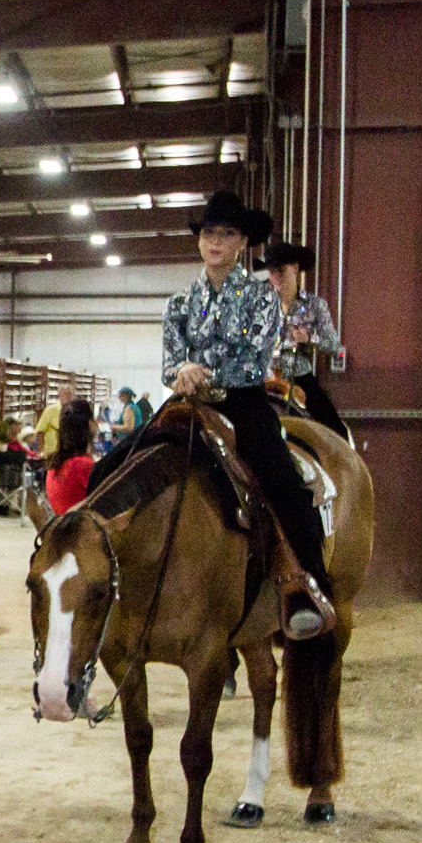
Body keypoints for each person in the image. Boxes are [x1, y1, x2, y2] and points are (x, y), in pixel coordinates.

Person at [160, 190, 333, 640]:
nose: (215, 241)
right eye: (209, 232)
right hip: (191, 403)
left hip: (243, 402)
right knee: (132, 456)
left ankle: (308, 584)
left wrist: (204, 370)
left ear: (242, 243)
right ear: (199, 240)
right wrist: (179, 371)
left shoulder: (261, 297)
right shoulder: (179, 304)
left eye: (227, 233)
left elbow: (255, 360)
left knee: (282, 479)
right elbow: (168, 361)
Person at [265, 241, 347, 437]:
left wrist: (310, 338)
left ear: (294, 269)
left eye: (280, 271)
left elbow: (335, 347)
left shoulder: (315, 305)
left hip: (300, 377)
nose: (275, 278)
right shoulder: (260, 306)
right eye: (271, 272)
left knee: (337, 431)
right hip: (265, 378)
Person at [43, 398, 97, 515]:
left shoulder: (55, 462)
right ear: (90, 424)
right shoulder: (82, 464)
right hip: (80, 528)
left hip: (63, 526)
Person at [32, 384, 73, 458]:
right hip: (52, 454)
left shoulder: (74, 410)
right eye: (65, 394)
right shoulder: (51, 410)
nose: (68, 397)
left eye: (70, 394)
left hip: (69, 454)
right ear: (59, 395)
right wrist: (41, 451)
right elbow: (40, 432)